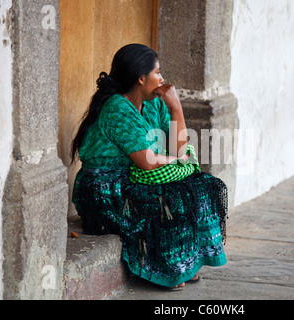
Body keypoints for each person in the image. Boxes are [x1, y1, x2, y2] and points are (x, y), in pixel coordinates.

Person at [71, 44, 228, 290]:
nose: (162, 79)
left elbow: (178, 147)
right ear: (141, 78)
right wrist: (178, 159)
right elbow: (147, 161)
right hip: (106, 188)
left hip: (136, 178)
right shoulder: (117, 108)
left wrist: (176, 107)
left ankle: (187, 262)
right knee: (170, 198)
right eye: (158, 73)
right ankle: (169, 269)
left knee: (203, 184)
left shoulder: (154, 102)